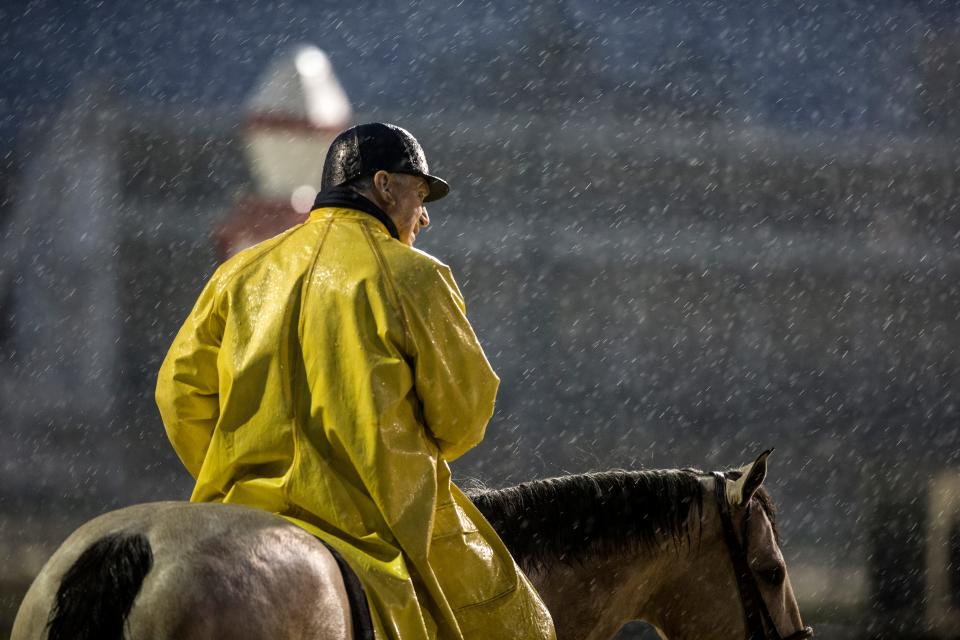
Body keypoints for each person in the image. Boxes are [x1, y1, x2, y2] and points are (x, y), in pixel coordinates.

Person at [155, 123, 556, 640]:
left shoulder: (239, 273)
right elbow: (462, 418)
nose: (426, 216)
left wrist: (231, 465)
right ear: (385, 186)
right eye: (420, 194)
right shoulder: (416, 276)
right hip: (371, 531)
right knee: (519, 622)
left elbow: (178, 394)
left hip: (234, 511)